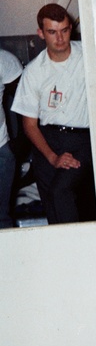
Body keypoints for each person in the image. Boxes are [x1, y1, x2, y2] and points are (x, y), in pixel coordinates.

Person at [10, 4, 96, 224]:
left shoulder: (88, 55)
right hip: (46, 141)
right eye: (52, 32)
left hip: (82, 138)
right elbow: (29, 125)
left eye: (65, 30)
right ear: (41, 33)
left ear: (71, 29)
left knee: (61, 193)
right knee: (52, 205)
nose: (60, 38)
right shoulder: (34, 71)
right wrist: (52, 157)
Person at [0, 47, 24, 228]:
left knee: (2, 217)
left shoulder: (5, 60)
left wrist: (20, 141)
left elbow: (25, 101)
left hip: (1, 150)